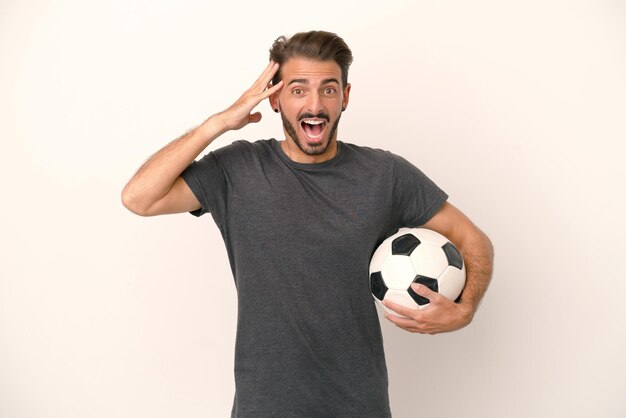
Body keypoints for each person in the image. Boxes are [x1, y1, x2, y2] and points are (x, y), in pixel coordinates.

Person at [122, 30, 494, 418]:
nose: (314, 105)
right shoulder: (237, 169)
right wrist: (216, 124)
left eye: (328, 90)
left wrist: (465, 308)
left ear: (345, 98)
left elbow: (472, 239)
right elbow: (139, 197)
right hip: (264, 407)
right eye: (298, 90)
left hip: (358, 405)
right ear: (275, 99)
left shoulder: (385, 175)